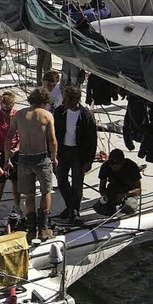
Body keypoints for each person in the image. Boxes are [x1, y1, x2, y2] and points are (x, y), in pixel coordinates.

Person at [4, 87, 58, 242]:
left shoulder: (19, 114)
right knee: (46, 191)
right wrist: (54, 157)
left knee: (29, 195)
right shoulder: (47, 115)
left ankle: (31, 230)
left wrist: (7, 159)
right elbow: (52, 141)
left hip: (24, 158)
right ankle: (43, 228)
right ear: (45, 101)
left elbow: (9, 137)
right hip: (41, 158)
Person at [54, 85, 98, 223]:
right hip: (62, 151)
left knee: (77, 184)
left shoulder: (86, 115)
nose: (63, 102)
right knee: (61, 181)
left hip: (79, 154)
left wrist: (89, 161)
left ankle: (75, 210)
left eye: (66, 100)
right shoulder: (59, 111)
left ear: (74, 101)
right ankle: (71, 207)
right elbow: (53, 132)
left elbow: (92, 139)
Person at [0, 90, 22, 224]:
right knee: (0, 181)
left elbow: (22, 135)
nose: (6, 111)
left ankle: (17, 206)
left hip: (14, 151)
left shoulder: (17, 115)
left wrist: (16, 148)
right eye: (4, 108)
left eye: (9, 109)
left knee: (15, 181)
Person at [94, 149, 142, 216]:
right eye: (111, 165)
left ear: (122, 163)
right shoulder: (106, 166)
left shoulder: (131, 166)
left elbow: (138, 190)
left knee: (129, 207)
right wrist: (106, 196)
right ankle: (112, 212)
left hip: (128, 192)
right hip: (112, 191)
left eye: (116, 166)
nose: (113, 167)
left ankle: (124, 214)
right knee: (98, 207)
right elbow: (102, 187)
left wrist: (124, 195)